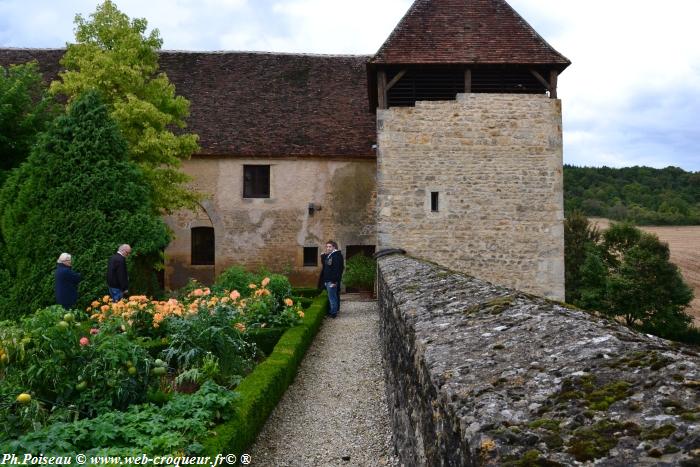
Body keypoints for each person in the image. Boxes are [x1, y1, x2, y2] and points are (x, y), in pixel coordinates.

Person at [319, 240, 344, 318]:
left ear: (334, 247)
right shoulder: (331, 255)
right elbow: (326, 265)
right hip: (328, 280)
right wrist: (323, 256)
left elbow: (336, 270)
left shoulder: (335, 256)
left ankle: (333, 313)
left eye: (330, 246)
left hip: (331, 281)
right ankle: (334, 311)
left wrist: (334, 281)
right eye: (327, 247)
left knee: (332, 297)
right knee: (334, 296)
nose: (328, 248)